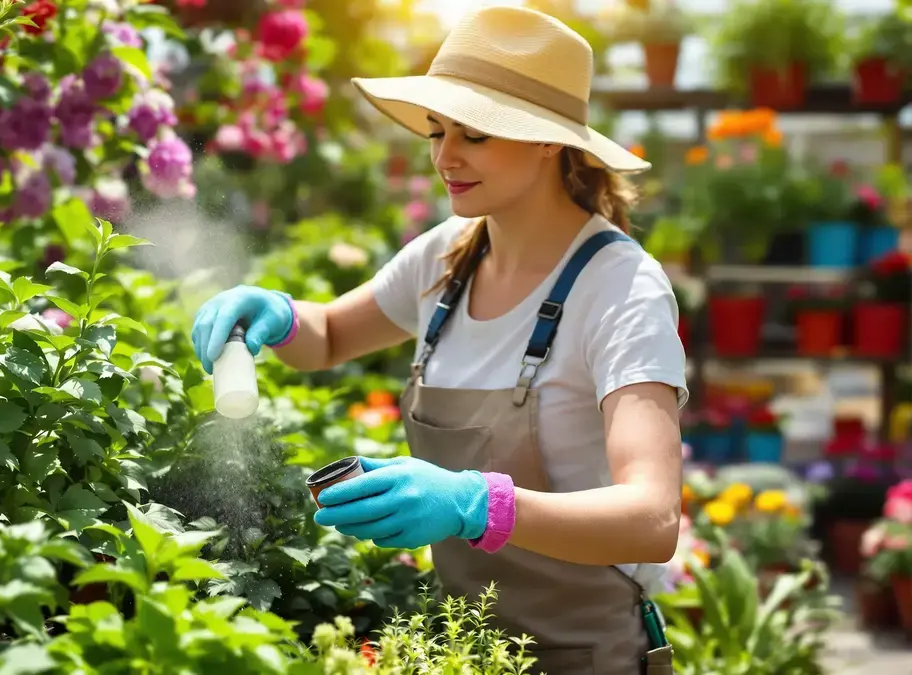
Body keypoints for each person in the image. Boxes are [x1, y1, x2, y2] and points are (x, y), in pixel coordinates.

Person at [190, 5, 685, 674]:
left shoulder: (621, 290)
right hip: (465, 652)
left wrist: (474, 503)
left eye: (475, 135)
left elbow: (651, 519)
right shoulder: (449, 257)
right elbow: (331, 334)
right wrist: (275, 312)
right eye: (437, 130)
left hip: (584, 655)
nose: (446, 156)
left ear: (547, 140)